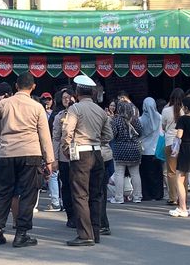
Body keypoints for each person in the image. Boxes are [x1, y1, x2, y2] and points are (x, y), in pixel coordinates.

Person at [0, 72, 54, 248]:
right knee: (28, 194)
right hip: (31, 153)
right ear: (33, 87)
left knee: (3, 192)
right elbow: (44, 136)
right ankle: (21, 234)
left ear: (16, 86)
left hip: (7, 153)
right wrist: (49, 160)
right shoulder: (37, 107)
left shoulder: (5, 103)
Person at [62, 76, 112, 246]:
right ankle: (95, 232)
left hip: (81, 154)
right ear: (92, 92)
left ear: (77, 92)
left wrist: (66, 149)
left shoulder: (75, 109)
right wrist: (98, 141)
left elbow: (67, 131)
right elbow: (109, 135)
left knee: (80, 194)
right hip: (97, 153)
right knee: (96, 195)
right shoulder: (100, 110)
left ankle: (85, 235)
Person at [110, 102, 142, 204]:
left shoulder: (116, 120)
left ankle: (119, 198)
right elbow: (140, 132)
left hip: (120, 150)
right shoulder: (135, 119)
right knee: (135, 174)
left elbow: (113, 134)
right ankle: (137, 197)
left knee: (119, 174)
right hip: (134, 149)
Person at [51, 89, 75, 226]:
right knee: (66, 186)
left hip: (79, 155)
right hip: (64, 156)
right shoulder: (59, 116)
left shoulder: (79, 112)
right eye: (64, 97)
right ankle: (70, 214)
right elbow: (56, 138)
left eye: (69, 97)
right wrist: (54, 158)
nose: (66, 100)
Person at [161, 89, 184, 205]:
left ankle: (173, 197)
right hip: (182, 143)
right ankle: (182, 197)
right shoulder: (185, 110)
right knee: (183, 171)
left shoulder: (166, 110)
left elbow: (163, 126)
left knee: (171, 172)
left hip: (170, 142)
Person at [139, 97, 163, 201]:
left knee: (145, 174)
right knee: (157, 174)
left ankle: (147, 194)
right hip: (157, 149)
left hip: (145, 150)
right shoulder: (160, 117)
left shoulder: (140, 119)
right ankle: (158, 194)